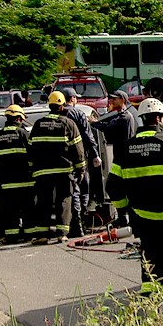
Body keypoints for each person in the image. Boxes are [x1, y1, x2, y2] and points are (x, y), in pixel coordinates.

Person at [106, 97, 163, 297]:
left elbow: (113, 185)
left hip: (142, 216)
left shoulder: (126, 148)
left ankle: (150, 297)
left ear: (142, 119)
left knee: (150, 255)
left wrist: (124, 209)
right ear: (160, 118)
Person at [27, 91, 86, 244]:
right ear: (61, 107)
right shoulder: (68, 124)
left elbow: (31, 149)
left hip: (42, 172)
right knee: (64, 199)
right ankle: (62, 233)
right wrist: (81, 169)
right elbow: (78, 150)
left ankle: (42, 234)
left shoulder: (38, 124)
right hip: (63, 170)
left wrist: (32, 168)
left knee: (43, 201)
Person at [90, 90, 137, 227]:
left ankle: (125, 215)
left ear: (123, 100)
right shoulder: (120, 116)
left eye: (115, 99)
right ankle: (124, 216)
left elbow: (108, 127)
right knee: (119, 188)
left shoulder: (125, 117)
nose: (112, 101)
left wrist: (94, 122)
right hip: (120, 159)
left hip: (124, 160)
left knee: (113, 187)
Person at [0, 104, 35, 244]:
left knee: (10, 211)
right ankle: (29, 235)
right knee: (28, 209)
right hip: (25, 180)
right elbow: (32, 155)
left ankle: (12, 236)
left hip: (7, 182)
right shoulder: (23, 134)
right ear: (18, 118)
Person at [62, 87, 102, 238]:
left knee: (67, 192)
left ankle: (69, 223)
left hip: (61, 160)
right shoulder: (77, 113)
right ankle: (80, 222)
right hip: (79, 157)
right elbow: (88, 136)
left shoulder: (55, 114)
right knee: (83, 187)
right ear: (72, 99)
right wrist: (95, 154)